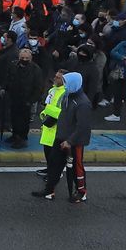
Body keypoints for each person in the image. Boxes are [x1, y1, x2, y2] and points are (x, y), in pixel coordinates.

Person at [34, 72, 90, 203]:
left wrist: (70, 141)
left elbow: (82, 126)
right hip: (60, 137)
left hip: (74, 142)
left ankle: (82, 192)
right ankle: (49, 190)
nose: (64, 85)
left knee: (77, 168)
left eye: (66, 82)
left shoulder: (83, 103)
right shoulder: (66, 96)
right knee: (54, 164)